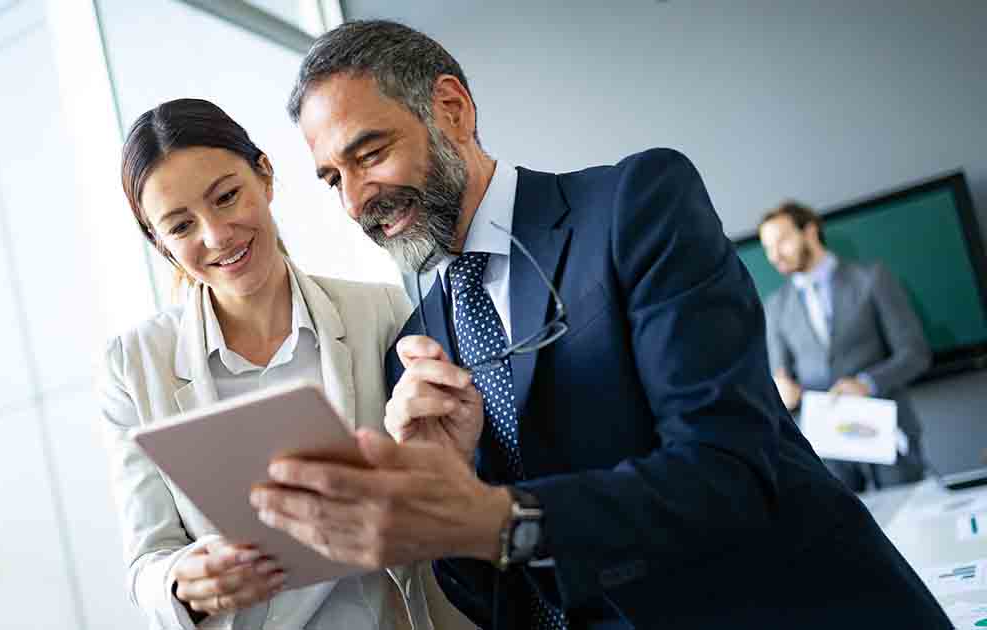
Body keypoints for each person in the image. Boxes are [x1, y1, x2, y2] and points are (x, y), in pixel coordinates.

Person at [246, 20, 953, 630]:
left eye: (369, 154)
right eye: (333, 178)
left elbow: (730, 469)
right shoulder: (416, 347)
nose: (356, 199)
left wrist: (497, 516)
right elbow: (498, 601)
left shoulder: (634, 206)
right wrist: (445, 484)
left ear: (452, 109)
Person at [97, 98, 473, 630]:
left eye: (227, 197)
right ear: (159, 243)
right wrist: (185, 583)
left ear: (265, 176)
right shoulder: (133, 367)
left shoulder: (382, 313)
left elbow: (447, 484)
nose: (217, 236)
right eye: (181, 227)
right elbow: (147, 562)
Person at [758, 201, 932, 491]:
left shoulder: (872, 279)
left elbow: (915, 353)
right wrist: (782, 393)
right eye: (767, 248)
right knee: (843, 534)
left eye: (783, 241)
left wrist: (866, 383)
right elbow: (780, 378)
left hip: (888, 434)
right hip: (827, 449)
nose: (774, 255)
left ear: (810, 232)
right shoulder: (775, 307)